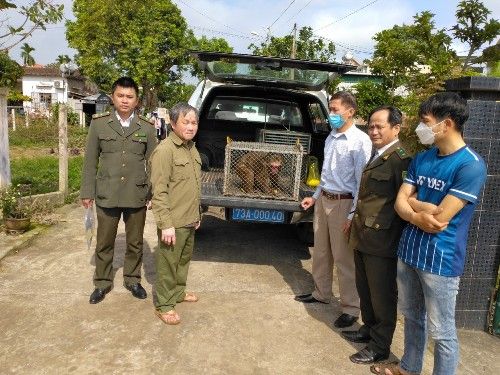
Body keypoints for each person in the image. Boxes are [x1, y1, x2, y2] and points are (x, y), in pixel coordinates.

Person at [372, 92, 487, 375]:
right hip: (410, 251)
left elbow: (440, 218)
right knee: (412, 318)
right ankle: (409, 368)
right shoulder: (423, 158)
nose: (420, 128)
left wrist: (413, 204)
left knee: (442, 333)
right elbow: (401, 202)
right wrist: (415, 210)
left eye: (425, 122)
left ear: (446, 124)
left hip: (440, 260)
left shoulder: (470, 165)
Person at [295, 91, 372, 328]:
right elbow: (326, 175)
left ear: (350, 111)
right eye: (330, 109)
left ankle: (350, 307)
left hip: (344, 203)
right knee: (320, 252)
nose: (332, 114)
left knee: (343, 258)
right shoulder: (331, 137)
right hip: (324, 200)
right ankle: (321, 293)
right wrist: (315, 197)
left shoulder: (360, 141)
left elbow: (362, 182)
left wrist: (352, 214)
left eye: (336, 109)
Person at [342, 106, 411, 365]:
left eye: (379, 126)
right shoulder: (377, 155)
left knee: (382, 295)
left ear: (396, 128)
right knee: (366, 289)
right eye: (370, 126)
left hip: (383, 241)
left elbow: (403, 202)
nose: (373, 131)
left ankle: (380, 345)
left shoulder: (400, 160)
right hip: (363, 235)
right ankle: (368, 329)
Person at [80, 76, 157, 304]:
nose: (125, 100)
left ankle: (132, 279)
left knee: (135, 243)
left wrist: (151, 193)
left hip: (136, 194)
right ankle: (102, 282)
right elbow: (90, 160)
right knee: (104, 242)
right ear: (113, 97)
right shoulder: (99, 123)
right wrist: (87, 192)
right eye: (120, 96)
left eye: (129, 96)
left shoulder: (147, 127)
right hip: (107, 193)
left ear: (136, 101)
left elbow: (154, 164)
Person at [149, 102, 202, 325]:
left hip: (189, 218)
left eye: (194, 122)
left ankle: (178, 292)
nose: (191, 127)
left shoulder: (191, 148)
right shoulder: (165, 150)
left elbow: (194, 186)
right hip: (173, 220)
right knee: (168, 263)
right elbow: (158, 191)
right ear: (172, 123)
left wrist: (197, 215)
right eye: (185, 122)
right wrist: (166, 224)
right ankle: (164, 305)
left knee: (183, 260)